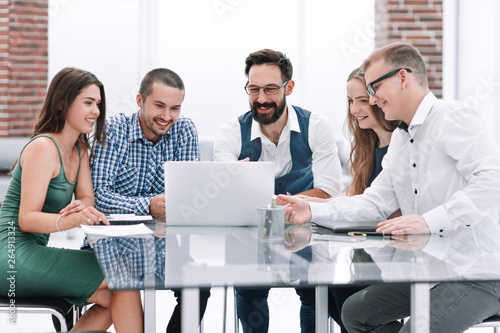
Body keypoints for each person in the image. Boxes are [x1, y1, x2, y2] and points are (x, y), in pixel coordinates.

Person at [279, 42, 500, 332]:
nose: (371, 100)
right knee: (355, 313)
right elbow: (374, 203)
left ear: (403, 77)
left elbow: (492, 182)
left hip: (477, 272)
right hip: (428, 269)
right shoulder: (400, 138)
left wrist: (427, 221)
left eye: (374, 88)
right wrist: (313, 209)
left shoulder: (454, 117)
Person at [0, 67, 143, 332]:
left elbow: (88, 196)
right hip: (11, 256)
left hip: (32, 253)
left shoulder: (79, 148)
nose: (96, 112)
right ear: (62, 104)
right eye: (88, 103)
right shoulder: (44, 148)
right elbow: (27, 219)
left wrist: (84, 207)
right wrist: (74, 218)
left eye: (98, 104)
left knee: (114, 295)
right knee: (124, 276)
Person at [214, 48, 344, 333]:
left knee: (316, 293)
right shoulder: (232, 132)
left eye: (271, 89)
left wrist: (265, 199)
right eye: (254, 89)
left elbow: (330, 191)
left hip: (308, 234)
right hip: (250, 236)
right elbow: (224, 193)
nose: (261, 98)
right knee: (249, 292)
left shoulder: (316, 126)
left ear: (289, 87)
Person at [90, 68, 210, 333]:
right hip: (109, 243)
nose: (167, 117)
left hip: (159, 244)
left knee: (199, 284)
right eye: (159, 106)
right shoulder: (114, 130)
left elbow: (187, 195)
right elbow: (98, 197)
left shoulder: (184, 130)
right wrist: (148, 206)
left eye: (175, 108)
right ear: (139, 101)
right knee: (122, 287)